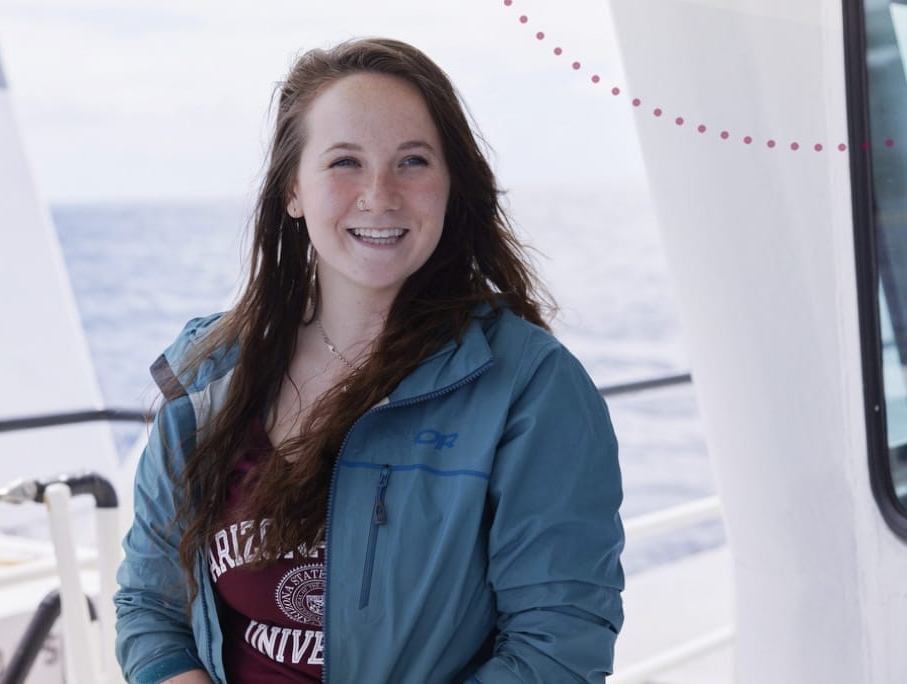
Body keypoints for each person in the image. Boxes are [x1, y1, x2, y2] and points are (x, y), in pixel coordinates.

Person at [113, 37, 624, 683]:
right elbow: (150, 607)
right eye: (345, 162)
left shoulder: (528, 386)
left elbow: (557, 650)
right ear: (293, 190)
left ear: (451, 187)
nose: (379, 195)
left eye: (412, 161)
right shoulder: (211, 376)